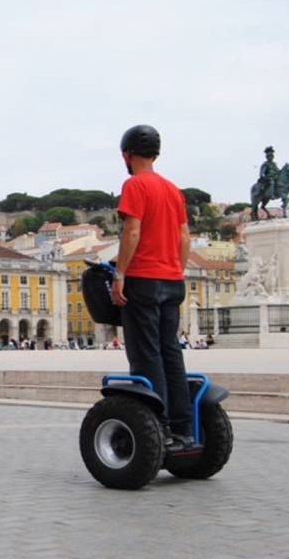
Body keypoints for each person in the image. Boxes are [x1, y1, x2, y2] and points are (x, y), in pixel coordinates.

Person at [110, 125, 194, 450]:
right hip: (172, 281)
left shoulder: (135, 185)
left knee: (147, 355)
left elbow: (132, 232)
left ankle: (159, 429)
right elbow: (184, 237)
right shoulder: (174, 190)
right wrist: (176, 271)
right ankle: (183, 428)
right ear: (156, 154)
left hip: (142, 280)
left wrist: (119, 276)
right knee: (171, 352)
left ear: (126, 155)